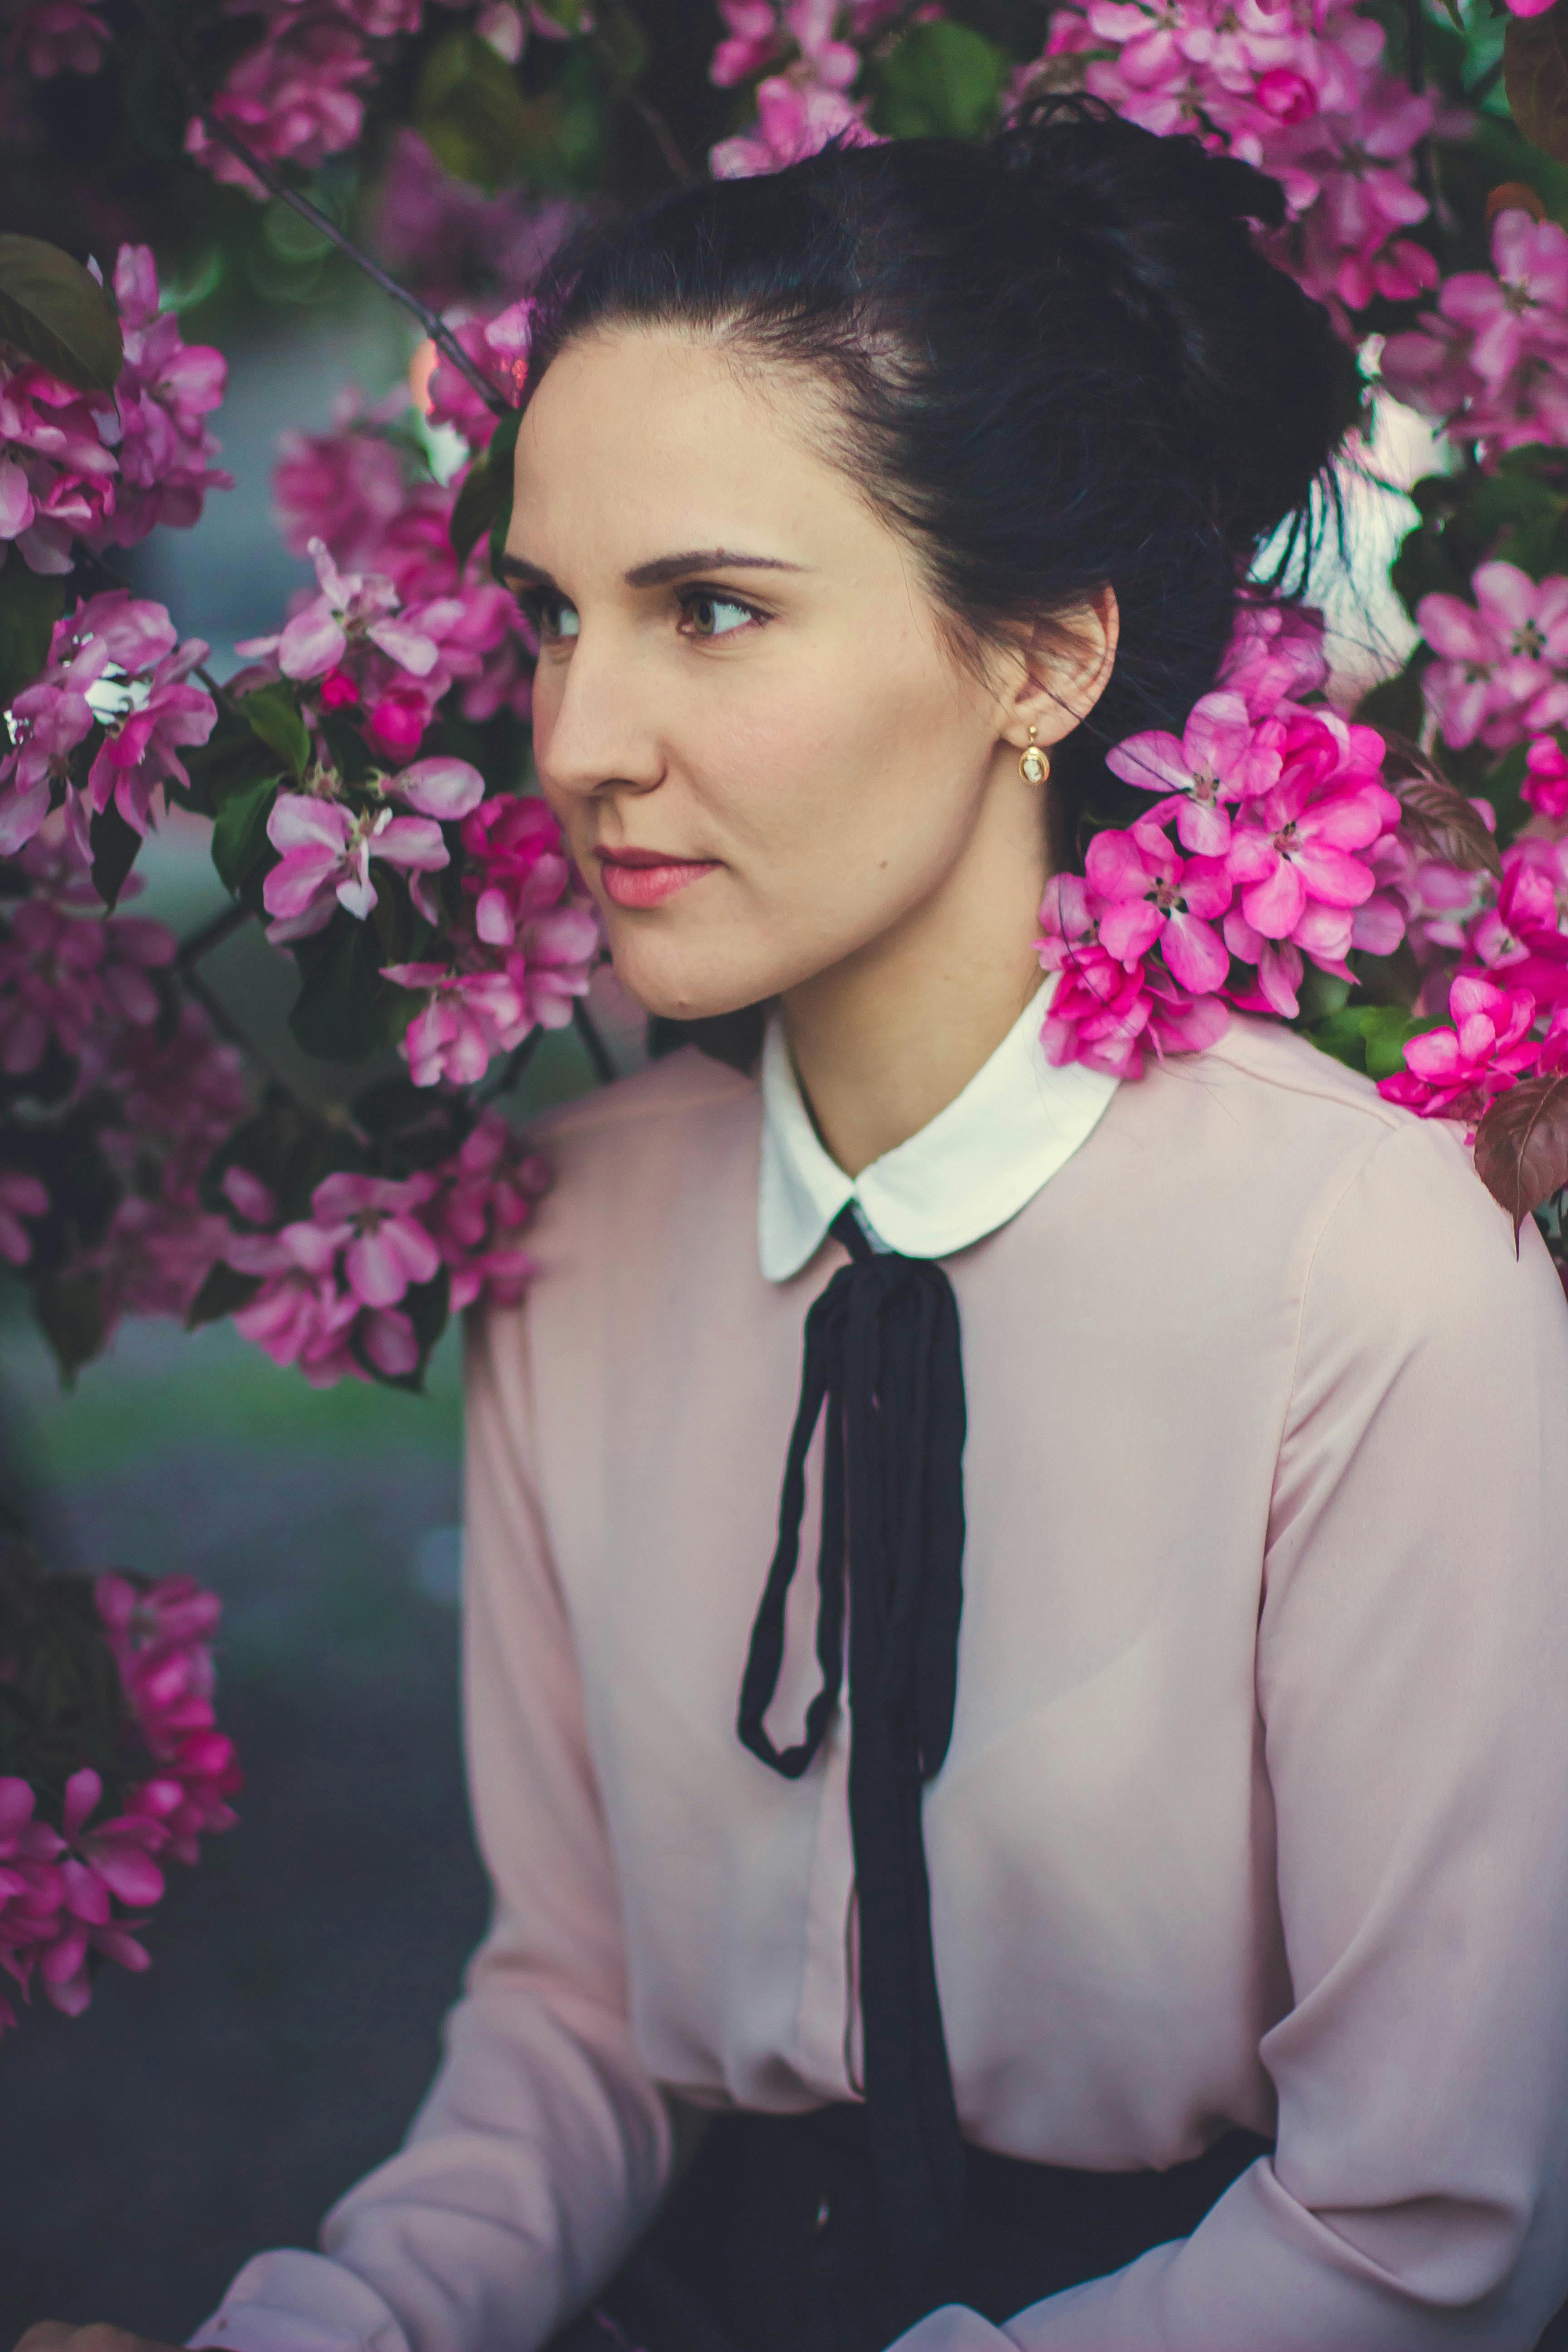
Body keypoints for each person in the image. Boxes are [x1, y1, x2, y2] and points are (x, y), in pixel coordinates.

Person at [21, 98, 1568, 2352]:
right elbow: (577, 2012)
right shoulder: (569, 1236)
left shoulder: (1377, 1282)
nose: (578, 737)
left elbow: (1420, 2240)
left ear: (1040, 656)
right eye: (559, 618)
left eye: (711, 612)